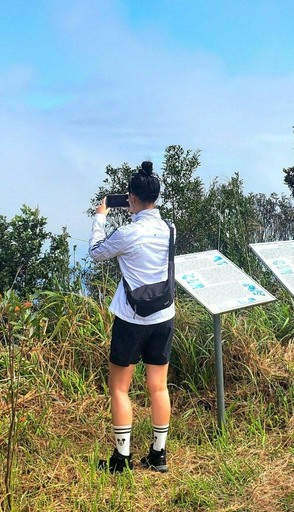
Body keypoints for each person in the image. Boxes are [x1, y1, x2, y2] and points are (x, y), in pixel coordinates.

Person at [89, 161, 175, 474]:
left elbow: (97, 252)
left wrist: (100, 218)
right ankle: (158, 455)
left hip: (131, 319)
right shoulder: (169, 229)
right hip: (164, 316)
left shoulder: (128, 233)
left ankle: (121, 458)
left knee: (120, 388)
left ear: (132, 199)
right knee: (158, 387)